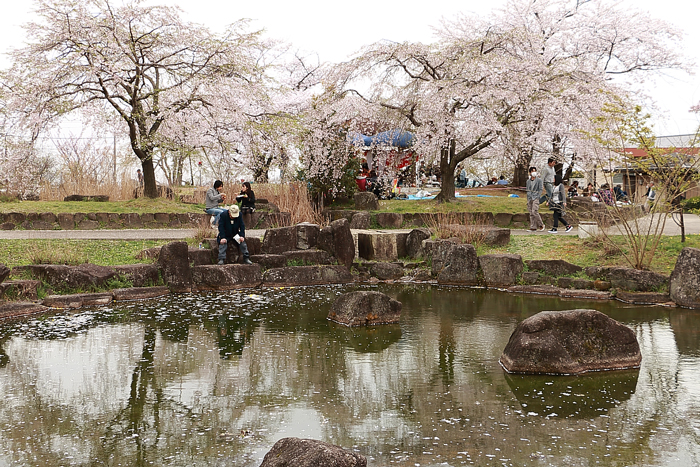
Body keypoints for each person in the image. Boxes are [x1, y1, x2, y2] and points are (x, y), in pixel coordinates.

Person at [526, 166, 545, 231]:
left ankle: (541, 224)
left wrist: (538, 196)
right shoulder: (528, 181)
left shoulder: (539, 180)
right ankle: (533, 227)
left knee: (534, 211)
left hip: (536, 197)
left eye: (535, 171)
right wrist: (528, 197)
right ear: (530, 172)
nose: (534, 172)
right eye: (532, 171)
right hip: (529, 198)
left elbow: (540, 189)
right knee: (531, 212)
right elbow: (527, 189)